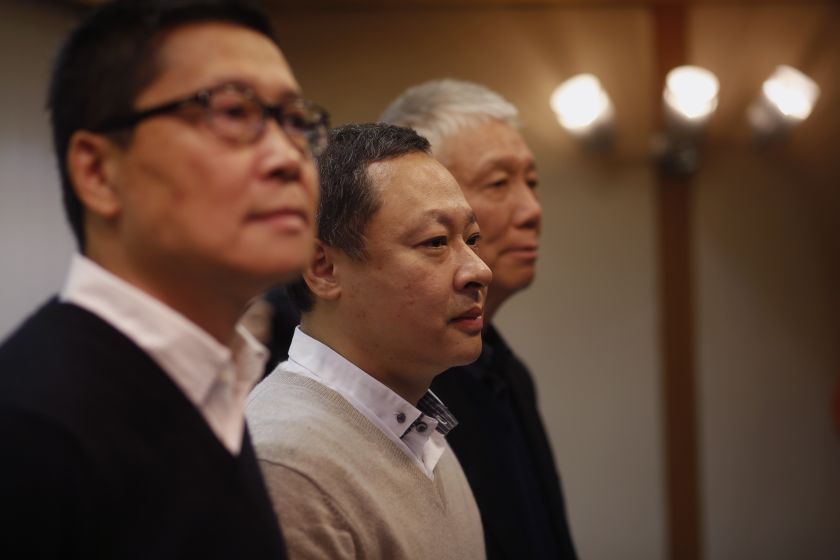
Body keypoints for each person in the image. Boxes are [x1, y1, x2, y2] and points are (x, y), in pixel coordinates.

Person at [0, 1, 327, 557]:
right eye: (232, 112)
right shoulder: (30, 430)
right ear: (99, 172)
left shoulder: (212, 385)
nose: (287, 158)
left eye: (295, 121)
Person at [246, 122, 490, 559]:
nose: (478, 270)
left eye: (472, 240)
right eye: (436, 242)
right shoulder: (286, 466)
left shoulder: (419, 430)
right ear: (323, 269)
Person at [380, 79, 578, 559]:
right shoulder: (394, 384)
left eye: (532, 182)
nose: (532, 210)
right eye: (498, 183)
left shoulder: (507, 371)